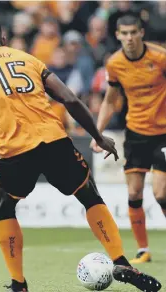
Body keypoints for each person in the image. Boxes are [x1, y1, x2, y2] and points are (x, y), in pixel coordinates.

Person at [0, 17, 162, 292]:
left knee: (5, 206)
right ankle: (121, 261)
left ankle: (18, 283)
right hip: (55, 141)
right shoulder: (28, 59)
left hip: (14, 151)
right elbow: (69, 98)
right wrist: (98, 136)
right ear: (4, 39)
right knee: (89, 195)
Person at [91, 14, 166, 264]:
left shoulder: (160, 57)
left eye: (134, 32)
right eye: (125, 34)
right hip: (135, 133)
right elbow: (111, 100)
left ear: (141, 32)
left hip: (164, 133)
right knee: (134, 193)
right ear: (117, 36)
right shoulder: (114, 63)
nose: (130, 38)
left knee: (161, 193)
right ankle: (143, 249)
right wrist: (97, 133)